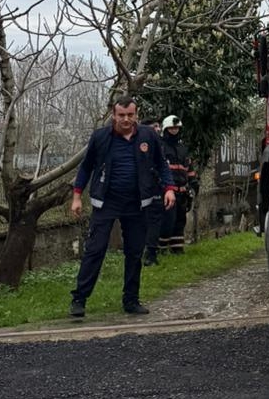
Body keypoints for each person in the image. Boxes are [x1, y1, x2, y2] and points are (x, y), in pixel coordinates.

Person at [70, 97, 175, 318]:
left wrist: (169, 188)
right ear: (113, 115)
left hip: (138, 203)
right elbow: (86, 167)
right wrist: (77, 196)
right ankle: (79, 299)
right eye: (121, 115)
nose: (126, 120)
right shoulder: (100, 137)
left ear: (136, 115)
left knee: (135, 252)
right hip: (106, 202)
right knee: (95, 249)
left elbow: (161, 164)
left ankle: (131, 300)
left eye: (130, 115)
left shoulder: (148, 136)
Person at [159, 114, 193, 254]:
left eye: (176, 128)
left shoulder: (183, 149)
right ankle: (160, 250)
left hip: (182, 191)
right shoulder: (161, 147)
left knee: (180, 221)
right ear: (166, 129)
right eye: (171, 128)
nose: (174, 131)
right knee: (167, 221)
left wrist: (192, 187)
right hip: (167, 191)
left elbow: (190, 170)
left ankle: (177, 249)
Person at [142, 116, 165, 267]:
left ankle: (151, 253)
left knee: (155, 221)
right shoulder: (140, 144)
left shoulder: (161, 145)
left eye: (158, 126)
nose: (157, 129)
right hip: (142, 189)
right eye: (153, 126)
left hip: (157, 188)